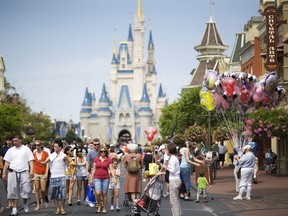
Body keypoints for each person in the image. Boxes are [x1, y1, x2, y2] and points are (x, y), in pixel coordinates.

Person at [2, 135, 34, 216]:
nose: (14, 142)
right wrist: (4, 173)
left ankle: (25, 202)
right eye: (13, 141)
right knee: (12, 191)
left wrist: (32, 171)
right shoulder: (10, 150)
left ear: (20, 140)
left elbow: (31, 161)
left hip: (24, 171)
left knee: (26, 190)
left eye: (16, 141)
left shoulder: (26, 149)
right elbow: (6, 163)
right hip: (13, 172)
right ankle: (14, 209)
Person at [46, 139, 70, 215]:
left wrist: (71, 175)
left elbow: (68, 165)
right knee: (54, 194)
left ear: (60, 147)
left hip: (62, 176)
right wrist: (41, 162)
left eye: (56, 146)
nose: (54, 148)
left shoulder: (64, 156)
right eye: (54, 146)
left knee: (63, 193)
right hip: (53, 176)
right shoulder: (51, 155)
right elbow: (45, 162)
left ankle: (62, 208)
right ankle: (57, 208)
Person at [90, 145, 116, 214]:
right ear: (100, 152)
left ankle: (104, 207)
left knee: (104, 193)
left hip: (105, 178)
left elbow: (111, 169)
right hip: (97, 177)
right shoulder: (96, 159)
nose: (103, 152)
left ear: (106, 152)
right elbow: (93, 169)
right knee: (98, 193)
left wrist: (114, 178)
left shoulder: (108, 160)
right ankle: (99, 205)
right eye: (101, 151)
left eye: (104, 151)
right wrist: (91, 178)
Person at [159, 142, 182, 216]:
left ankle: (176, 214)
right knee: (175, 200)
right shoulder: (174, 158)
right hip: (176, 179)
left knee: (173, 201)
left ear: (169, 150)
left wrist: (164, 166)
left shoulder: (172, 159)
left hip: (174, 180)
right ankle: (178, 214)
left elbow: (172, 170)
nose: (165, 151)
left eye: (166, 149)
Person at [32, 140, 50, 210]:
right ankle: (38, 205)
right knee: (36, 189)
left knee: (43, 189)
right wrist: (32, 172)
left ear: (41, 145)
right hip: (36, 172)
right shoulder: (33, 153)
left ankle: (43, 200)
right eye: (35, 145)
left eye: (38, 145)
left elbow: (47, 163)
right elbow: (32, 163)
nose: (37, 146)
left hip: (43, 173)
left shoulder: (45, 153)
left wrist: (46, 173)